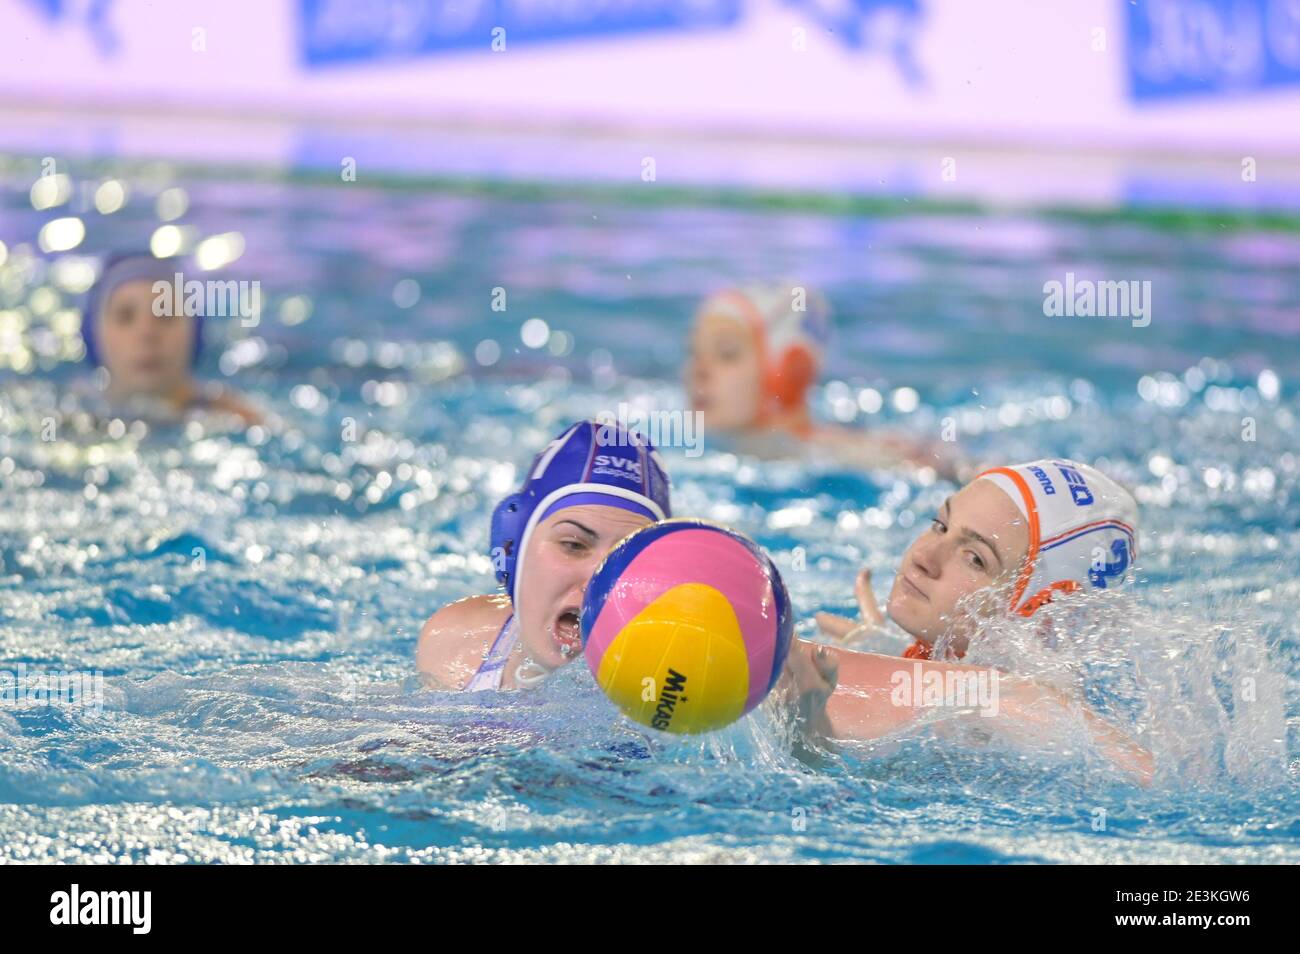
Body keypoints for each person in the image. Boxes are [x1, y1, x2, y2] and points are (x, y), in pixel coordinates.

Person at [783, 459, 1153, 781]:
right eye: (940, 525)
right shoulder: (965, 679)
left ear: (1041, 617)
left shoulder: (1022, 705)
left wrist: (811, 738)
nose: (924, 556)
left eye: (975, 558)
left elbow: (1146, 776)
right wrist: (881, 650)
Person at [416, 420, 671, 691]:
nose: (596, 583)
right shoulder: (456, 643)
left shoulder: (668, 684)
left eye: (626, 558)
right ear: (513, 547)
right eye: (573, 545)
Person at [685, 282, 959, 476]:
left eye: (726, 354)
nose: (699, 370)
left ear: (787, 371)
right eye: (695, 352)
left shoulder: (850, 458)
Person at [81, 252, 260, 426]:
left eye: (166, 315)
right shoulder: (72, 418)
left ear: (195, 335)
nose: (147, 333)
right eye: (125, 317)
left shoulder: (238, 419)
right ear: (93, 336)